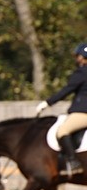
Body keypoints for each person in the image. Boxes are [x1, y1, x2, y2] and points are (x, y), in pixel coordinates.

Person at [36, 41, 87, 177]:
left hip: (83, 113)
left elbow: (66, 91)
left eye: (78, 56)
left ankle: (74, 162)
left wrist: (47, 103)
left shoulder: (82, 73)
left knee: (62, 130)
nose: (77, 59)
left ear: (82, 57)